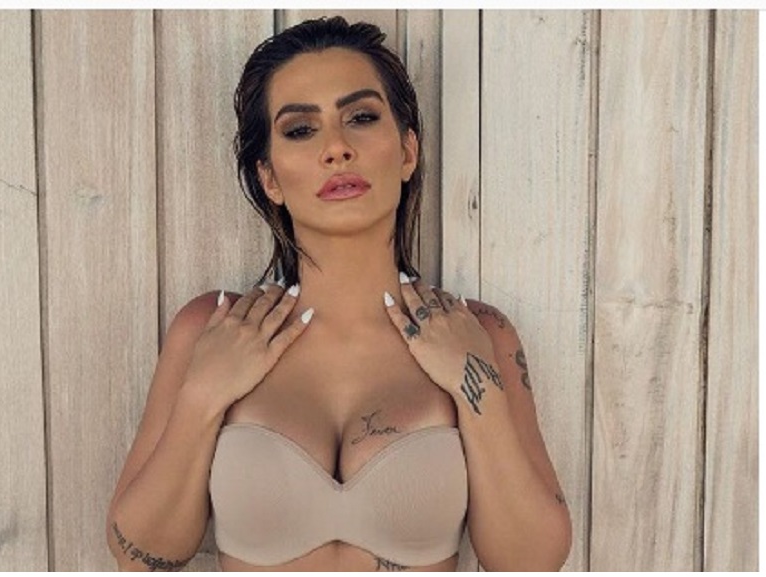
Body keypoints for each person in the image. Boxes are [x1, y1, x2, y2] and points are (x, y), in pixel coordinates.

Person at [106, 16, 571, 572]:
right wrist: (202, 397)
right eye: (301, 129)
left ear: (407, 151)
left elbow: (532, 563)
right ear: (270, 178)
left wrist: (477, 388)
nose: (336, 148)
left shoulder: (480, 332)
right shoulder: (213, 326)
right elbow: (142, 556)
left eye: (361, 118)